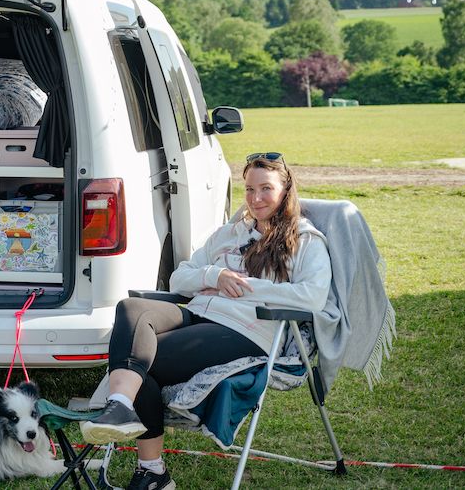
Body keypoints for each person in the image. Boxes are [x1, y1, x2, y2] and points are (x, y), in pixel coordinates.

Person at [80, 153, 332, 490]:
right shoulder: (230, 233)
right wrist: (215, 273)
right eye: (249, 189)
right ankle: (122, 406)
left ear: (286, 189)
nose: (256, 199)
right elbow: (179, 279)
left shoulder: (305, 240)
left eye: (266, 189)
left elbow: (313, 296)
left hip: (244, 328)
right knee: (130, 308)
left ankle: (151, 471)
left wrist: (244, 287)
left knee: (142, 366)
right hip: (199, 313)